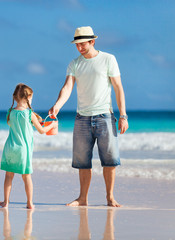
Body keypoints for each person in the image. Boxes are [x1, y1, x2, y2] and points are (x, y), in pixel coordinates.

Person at [49, 26, 128, 207]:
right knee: (82, 162)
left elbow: (118, 88)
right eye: (77, 45)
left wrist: (123, 115)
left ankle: (109, 197)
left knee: (109, 160)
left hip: (104, 117)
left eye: (82, 44)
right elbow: (67, 87)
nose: (79, 48)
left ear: (92, 41)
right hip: (82, 118)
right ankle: (82, 198)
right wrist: (57, 106)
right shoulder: (74, 63)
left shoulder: (109, 59)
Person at [0, 83, 58, 209]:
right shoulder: (29, 114)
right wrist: (52, 125)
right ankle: (29, 203)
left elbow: (17, 123)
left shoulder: (10, 113)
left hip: (10, 148)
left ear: (15, 98)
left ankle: (6, 202)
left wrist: (35, 118)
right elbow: (42, 131)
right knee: (26, 176)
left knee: (9, 175)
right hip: (23, 150)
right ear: (28, 98)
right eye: (31, 98)